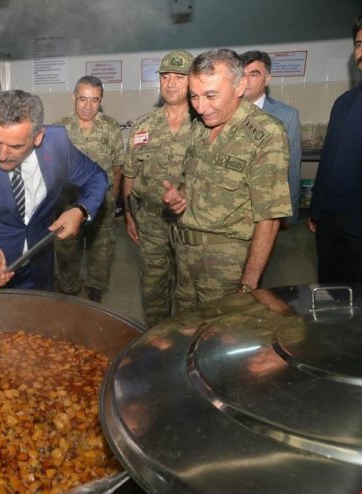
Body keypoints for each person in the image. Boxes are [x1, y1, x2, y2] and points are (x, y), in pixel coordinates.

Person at [0, 90, 109, 290]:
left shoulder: (57, 145)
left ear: (38, 138)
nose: (2, 155)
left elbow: (96, 176)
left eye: (15, 146)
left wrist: (80, 210)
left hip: (38, 269)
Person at [162, 49, 291, 310]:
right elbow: (196, 181)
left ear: (240, 85)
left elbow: (270, 217)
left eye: (211, 95)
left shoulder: (265, 134)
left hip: (226, 269)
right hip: (186, 258)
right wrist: (181, 196)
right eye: (194, 96)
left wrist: (248, 284)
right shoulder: (200, 128)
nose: (200, 106)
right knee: (186, 331)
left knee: (221, 338)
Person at [123, 50, 194, 326]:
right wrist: (130, 214)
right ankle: (155, 342)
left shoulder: (204, 125)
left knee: (188, 292)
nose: (171, 83)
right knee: (153, 288)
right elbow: (130, 174)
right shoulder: (143, 125)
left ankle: (185, 343)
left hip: (191, 221)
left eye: (179, 77)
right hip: (151, 220)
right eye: (166, 76)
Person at [54, 76, 125, 302]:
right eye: (82, 99)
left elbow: (117, 167)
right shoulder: (59, 129)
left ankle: (95, 298)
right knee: (66, 255)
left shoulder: (111, 128)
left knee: (100, 256)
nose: (87, 105)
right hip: (67, 205)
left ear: (101, 100)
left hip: (101, 207)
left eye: (94, 100)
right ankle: (69, 294)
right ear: (73, 97)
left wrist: (111, 200)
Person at [309, 15, 362, 283]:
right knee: (330, 293)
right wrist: (317, 209)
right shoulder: (344, 102)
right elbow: (329, 159)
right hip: (331, 221)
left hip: (358, 225)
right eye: (359, 44)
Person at [241, 50, 302, 226]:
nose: (246, 80)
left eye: (254, 74)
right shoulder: (223, 114)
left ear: (267, 79)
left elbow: (292, 167)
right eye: (242, 75)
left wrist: (291, 211)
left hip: (268, 209)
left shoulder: (286, 116)